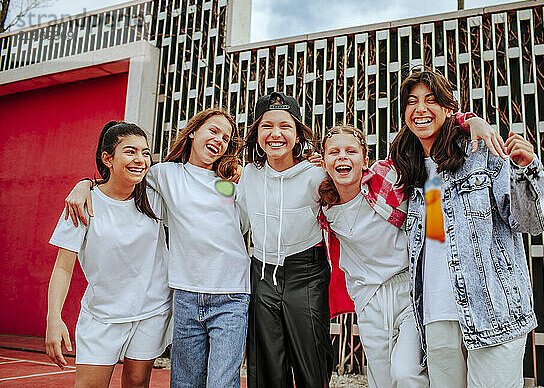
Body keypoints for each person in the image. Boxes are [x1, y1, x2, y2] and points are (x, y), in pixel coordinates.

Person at [389, 69, 544, 387]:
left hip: (493, 309)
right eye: (412, 102)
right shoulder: (407, 172)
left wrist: (527, 170)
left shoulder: (481, 153)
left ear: (448, 108)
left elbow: (535, 222)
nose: (420, 109)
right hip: (436, 314)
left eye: (431, 100)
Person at [63, 109, 251, 388]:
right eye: (213, 131)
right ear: (193, 132)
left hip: (231, 292)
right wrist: (85, 184)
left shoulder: (228, 184)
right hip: (186, 294)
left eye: (225, 137)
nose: (219, 140)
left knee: (222, 382)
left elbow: (244, 225)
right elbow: (122, 177)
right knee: (185, 383)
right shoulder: (164, 174)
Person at [46, 121, 172, 388]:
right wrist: (53, 319)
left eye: (145, 152)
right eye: (130, 151)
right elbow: (63, 267)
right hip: (102, 314)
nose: (140, 159)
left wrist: (230, 184)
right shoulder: (82, 203)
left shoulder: (155, 196)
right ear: (108, 158)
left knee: (137, 383)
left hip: (151, 310)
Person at [236, 92, 334, 388]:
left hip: (306, 273)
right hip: (262, 273)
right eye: (267, 126)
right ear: (256, 133)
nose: (275, 134)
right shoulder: (247, 176)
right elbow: (228, 208)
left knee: (312, 361)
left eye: (285, 126)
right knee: (265, 365)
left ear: (297, 133)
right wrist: (89, 183)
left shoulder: (317, 175)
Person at [318, 125, 428, 388]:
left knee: (407, 374)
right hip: (368, 300)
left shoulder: (384, 179)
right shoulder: (323, 204)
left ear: (364, 160)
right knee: (382, 381)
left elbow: (420, 133)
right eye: (334, 152)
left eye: (351, 151)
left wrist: (467, 121)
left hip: (409, 293)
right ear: (323, 161)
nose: (342, 156)